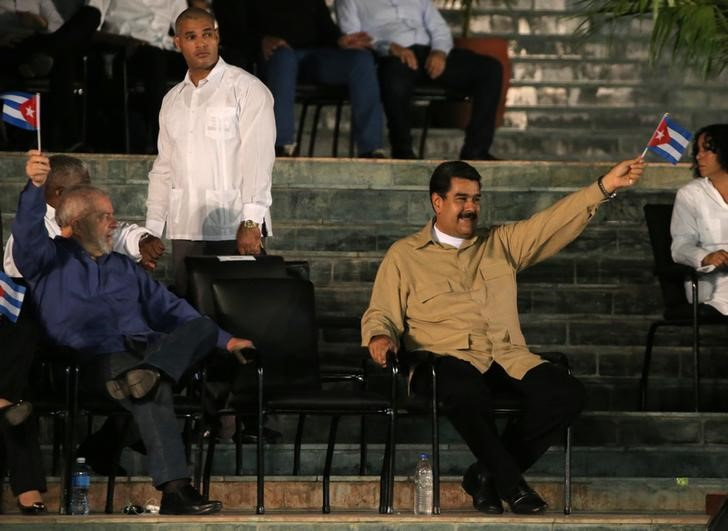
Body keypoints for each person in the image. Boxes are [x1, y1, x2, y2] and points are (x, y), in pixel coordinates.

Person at [362, 157, 645, 513]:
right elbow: (382, 313)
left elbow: (550, 224)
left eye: (476, 199)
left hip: (503, 356)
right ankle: (514, 486)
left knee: (566, 393)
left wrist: (603, 187)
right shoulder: (404, 255)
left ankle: (485, 476)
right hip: (442, 363)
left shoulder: (501, 244)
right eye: (462, 199)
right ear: (438, 202)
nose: (471, 208)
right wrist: (379, 337)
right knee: (463, 387)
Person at [11, 152, 255, 514]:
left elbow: (171, 310)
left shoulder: (125, 268)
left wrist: (227, 340)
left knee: (200, 328)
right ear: (78, 221)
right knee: (149, 388)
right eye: (105, 216)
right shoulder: (48, 260)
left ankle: (151, 378)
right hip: (91, 362)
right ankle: (174, 489)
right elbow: (27, 232)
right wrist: (33, 187)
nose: (114, 224)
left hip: (145, 354)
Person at [145, 7, 275, 296]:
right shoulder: (172, 100)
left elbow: (258, 158)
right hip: (185, 226)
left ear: (217, 37)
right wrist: (153, 229)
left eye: (207, 34)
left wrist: (252, 220)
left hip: (234, 225)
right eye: (191, 37)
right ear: (177, 43)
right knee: (192, 312)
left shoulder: (247, 89)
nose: (201, 43)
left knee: (241, 314)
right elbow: (164, 168)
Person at [336, 0, 503, 160]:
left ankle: (476, 151)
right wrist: (388, 47)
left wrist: (439, 52)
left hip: (428, 53)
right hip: (391, 57)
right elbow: (353, 40)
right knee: (393, 77)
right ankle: (403, 151)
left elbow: (439, 29)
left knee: (490, 69)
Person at [243, 0, 385, 158]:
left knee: (361, 60)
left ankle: (371, 148)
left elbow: (326, 28)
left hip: (314, 56)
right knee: (284, 57)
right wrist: (261, 40)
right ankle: (281, 146)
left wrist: (339, 40)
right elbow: (231, 28)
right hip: (275, 56)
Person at [4, 154, 165, 276]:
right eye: (83, 188)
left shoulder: (91, 217)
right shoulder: (32, 233)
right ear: (60, 193)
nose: (90, 194)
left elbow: (122, 233)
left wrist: (143, 241)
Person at [0, 1, 101, 151]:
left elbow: (58, 26)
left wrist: (42, 23)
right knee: (64, 58)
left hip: (38, 44)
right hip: (9, 46)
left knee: (91, 14)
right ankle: (68, 140)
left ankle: (44, 57)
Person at [671, 123, 728, 317]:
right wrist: (705, 256)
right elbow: (680, 246)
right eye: (697, 151)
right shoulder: (690, 195)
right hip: (711, 285)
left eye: (707, 150)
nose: (698, 156)